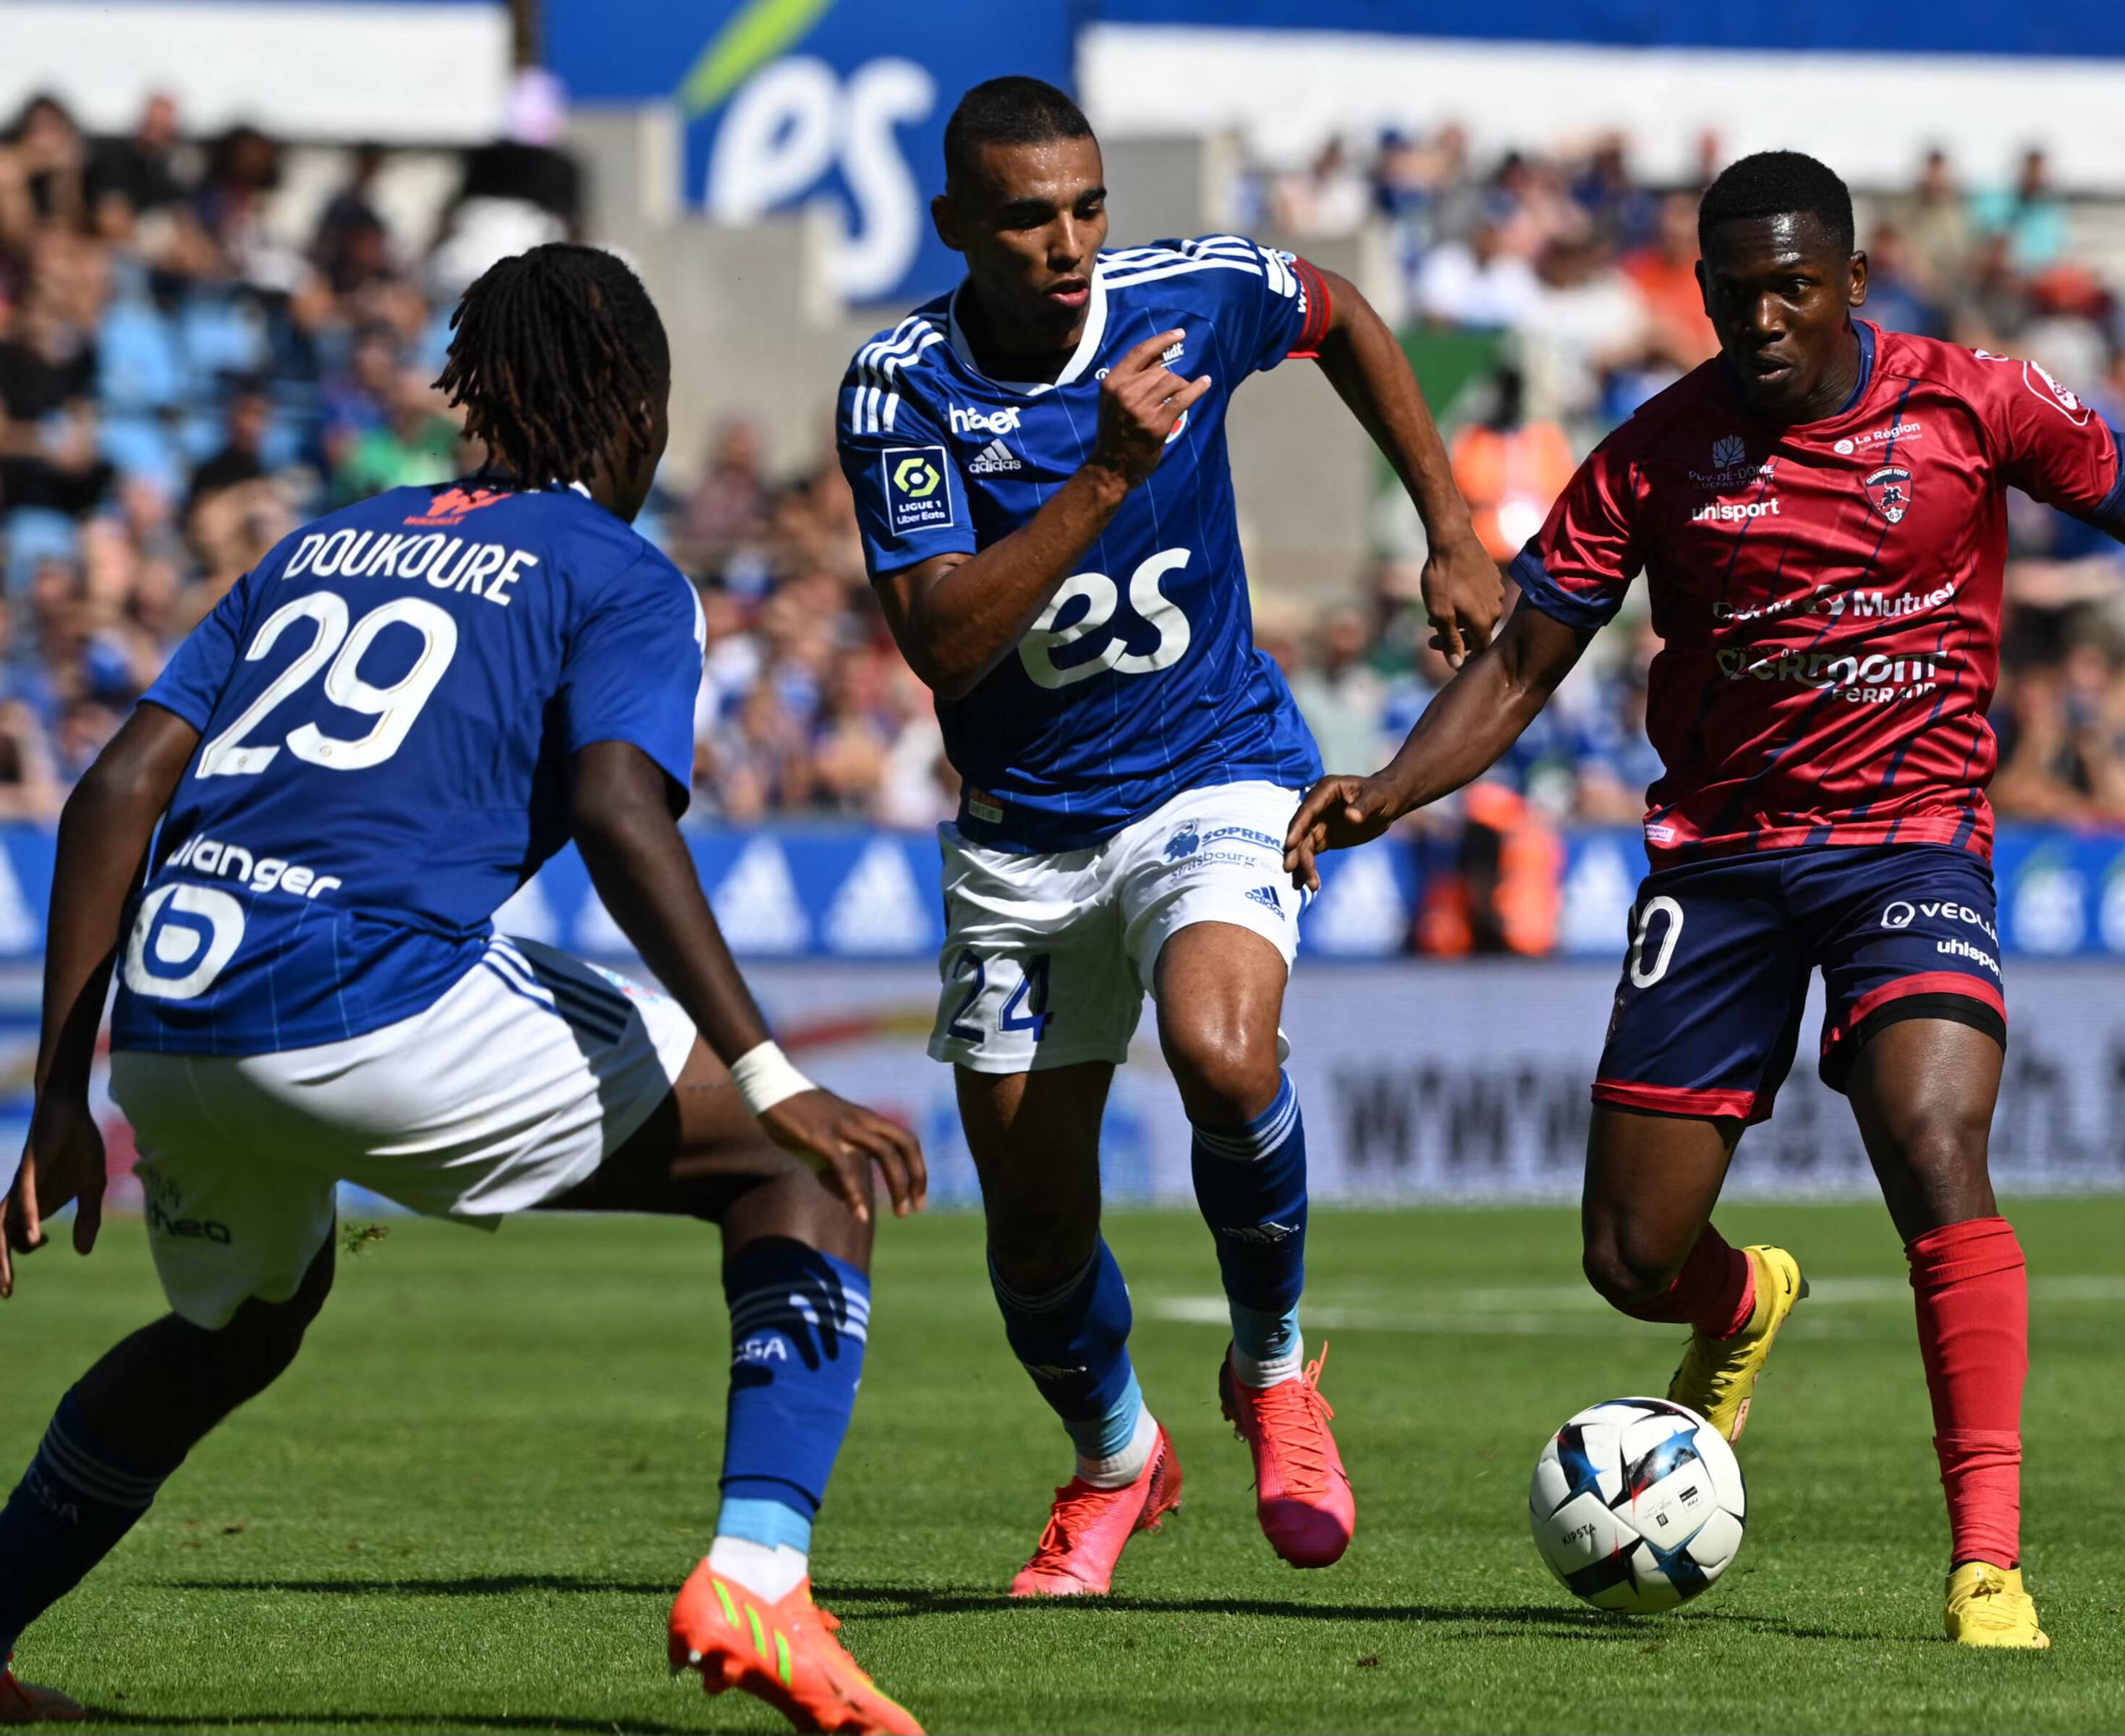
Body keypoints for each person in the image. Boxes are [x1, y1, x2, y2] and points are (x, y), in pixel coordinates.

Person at [1286, 151, 2125, 1648]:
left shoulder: (1976, 403)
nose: (1764, 318)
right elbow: (1519, 663)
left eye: (1794, 288)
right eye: (1736, 293)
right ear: (1703, 294)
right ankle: (1741, 1303)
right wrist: (1388, 788)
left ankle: (1986, 1563)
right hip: (1722, 863)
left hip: (1911, 844)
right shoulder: (1655, 455)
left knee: (1934, 1139)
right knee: (1631, 1258)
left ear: (1850, 282)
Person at [0, 244, 931, 1736]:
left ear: (476, 394)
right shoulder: (618, 570)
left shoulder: (319, 543)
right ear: (638, 410)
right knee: (795, 1165)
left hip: (168, 1021)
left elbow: (116, 788)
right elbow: (620, 809)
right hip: (360, 995)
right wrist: (772, 1072)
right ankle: (761, 1578)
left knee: (241, 1325)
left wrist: (61, 1094)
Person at [837, 77, 1500, 1598]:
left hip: (1213, 770)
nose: (1068, 243)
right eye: (1028, 218)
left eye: (1087, 207)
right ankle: (1117, 1457)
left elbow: (1341, 315)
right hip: (1024, 836)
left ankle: (1274, 1373)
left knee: (1221, 1050)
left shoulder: (1189, 297)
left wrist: (1450, 526)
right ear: (956, 226)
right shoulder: (899, 391)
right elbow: (947, 643)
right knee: (1033, 1234)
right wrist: (1109, 476)